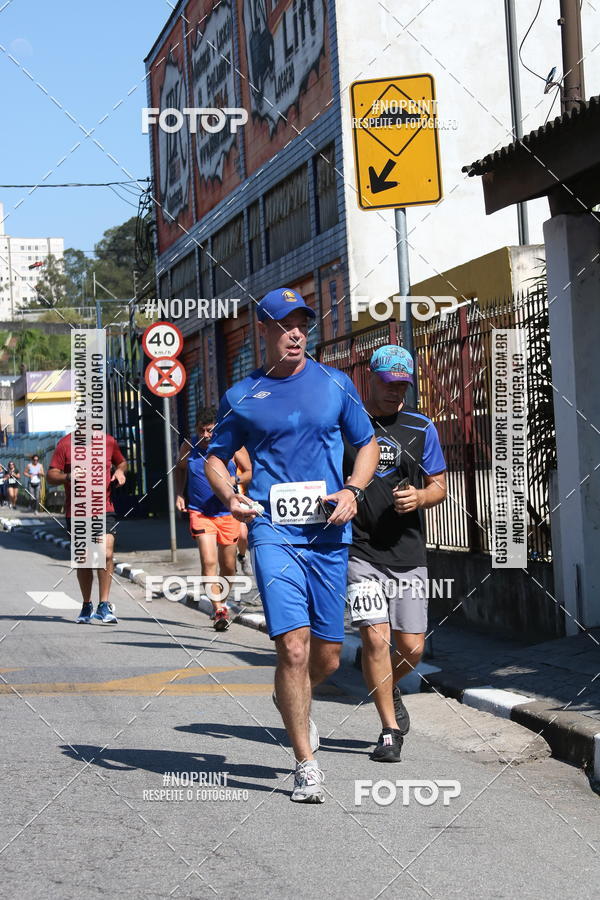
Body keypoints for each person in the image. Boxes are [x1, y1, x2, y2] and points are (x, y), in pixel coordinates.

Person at [205, 287, 379, 804]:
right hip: (273, 533)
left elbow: (366, 443)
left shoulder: (335, 384)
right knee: (294, 647)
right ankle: (306, 763)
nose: (296, 332)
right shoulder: (243, 395)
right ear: (265, 331)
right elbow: (215, 458)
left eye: (302, 322)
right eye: (284, 324)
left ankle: (292, 698)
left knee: (325, 656)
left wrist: (353, 489)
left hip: (328, 534)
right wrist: (231, 497)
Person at [343, 346, 447, 762]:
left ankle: (386, 684)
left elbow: (439, 485)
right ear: (372, 379)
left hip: (407, 551)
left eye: (403, 385)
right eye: (389, 384)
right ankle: (388, 731)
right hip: (359, 548)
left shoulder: (422, 427)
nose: (396, 393)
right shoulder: (348, 424)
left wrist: (419, 497)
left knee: (413, 647)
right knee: (375, 638)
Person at [175, 409, 252, 631]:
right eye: (201, 431)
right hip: (200, 511)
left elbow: (248, 471)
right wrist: (180, 493)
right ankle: (218, 608)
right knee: (208, 562)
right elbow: (180, 469)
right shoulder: (189, 446)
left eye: (210, 430)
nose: (206, 435)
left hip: (228, 511)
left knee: (228, 566)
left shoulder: (232, 445)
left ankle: (223, 601)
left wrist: (233, 479)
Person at [47, 432, 128, 625]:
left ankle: (104, 604)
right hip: (77, 511)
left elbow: (122, 461)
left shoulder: (109, 441)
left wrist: (119, 471)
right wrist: (67, 476)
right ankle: (86, 604)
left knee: (106, 553)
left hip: (104, 509)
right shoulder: (66, 444)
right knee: (85, 559)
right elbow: (51, 475)